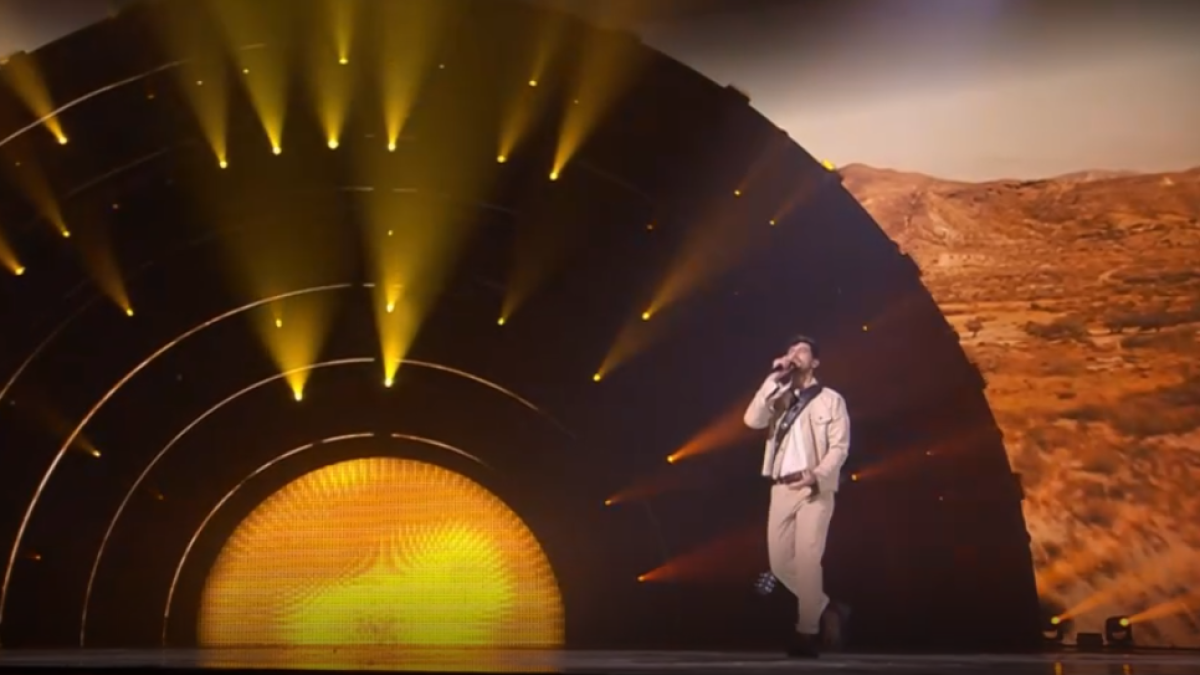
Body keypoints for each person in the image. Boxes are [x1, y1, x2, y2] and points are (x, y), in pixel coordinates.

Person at [743, 335, 851, 658]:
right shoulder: (778, 396)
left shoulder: (831, 400)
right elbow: (751, 421)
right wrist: (771, 381)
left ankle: (807, 633)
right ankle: (827, 607)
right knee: (779, 564)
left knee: (807, 560)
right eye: (791, 350)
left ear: (815, 361)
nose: (794, 355)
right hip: (781, 488)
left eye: (801, 351)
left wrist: (817, 474)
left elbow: (840, 447)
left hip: (814, 488)